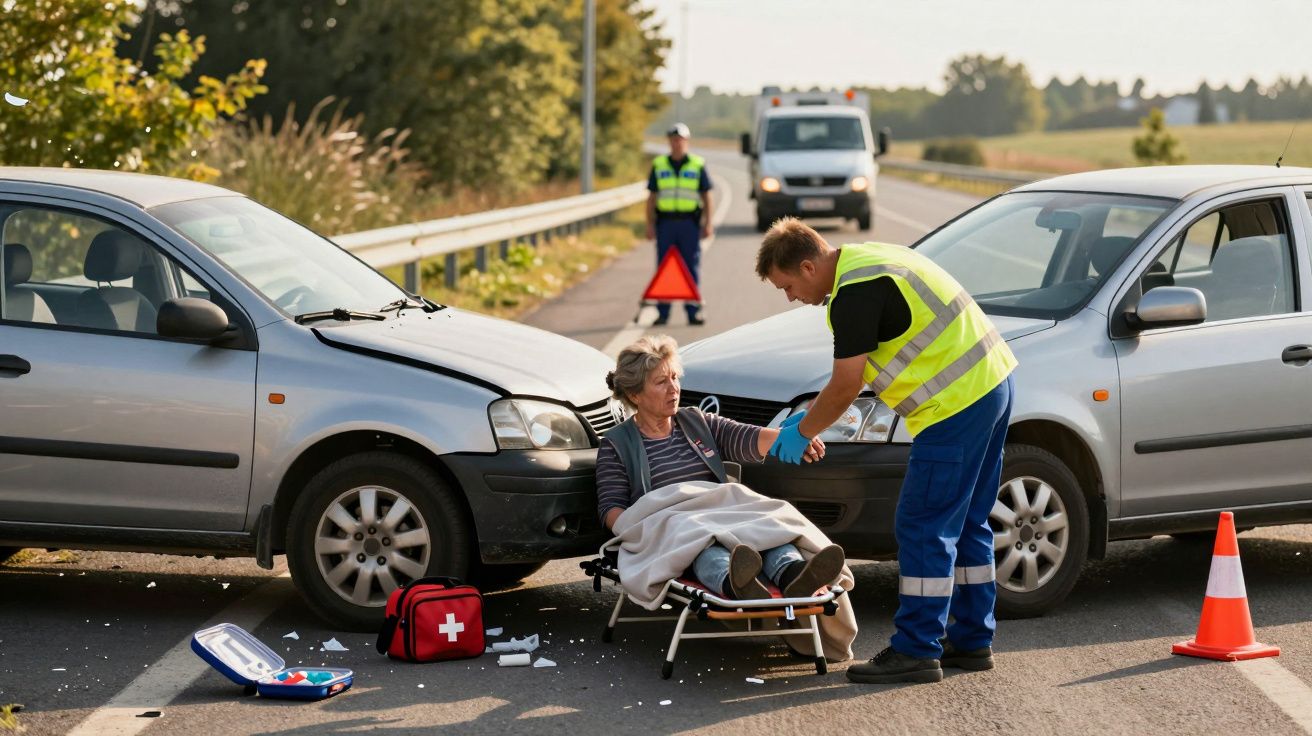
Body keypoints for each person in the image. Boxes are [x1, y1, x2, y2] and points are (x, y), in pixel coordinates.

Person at [755, 218, 1016, 685]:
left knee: (922, 525)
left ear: (810, 267)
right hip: (992, 384)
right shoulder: (872, 259)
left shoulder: (854, 295)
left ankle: (916, 650)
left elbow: (845, 384)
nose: (791, 296)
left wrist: (802, 431)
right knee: (968, 520)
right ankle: (973, 639)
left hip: (953, 406)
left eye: (788, 285)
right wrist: (807, 418)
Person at [596, 334, 844, 600]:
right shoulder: (616, 444)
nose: (673, 388)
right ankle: (734, 583)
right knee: (701, 543)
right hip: (672, 523)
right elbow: (612, 511)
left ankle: (795, 575)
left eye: (675, 378)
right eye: (661, 382)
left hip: (720, 512)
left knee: (764, 525)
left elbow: (747, 437)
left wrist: (796, 436)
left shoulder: (696, 421)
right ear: (635, 394)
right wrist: (646, 529)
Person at [647, 123, 713, 326]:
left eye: (680, 140)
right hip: (665, 223)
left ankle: (693, 312)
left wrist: (707, 223)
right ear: (669, 141)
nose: (677, 143)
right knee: (665, 267)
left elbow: (706, 196)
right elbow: (652, 197)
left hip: (689, 224)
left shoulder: (697, 164)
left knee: (690, 267)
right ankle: (663, 313)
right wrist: (649, 224)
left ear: (686, 141)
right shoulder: (659, 165)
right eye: (673, 140)